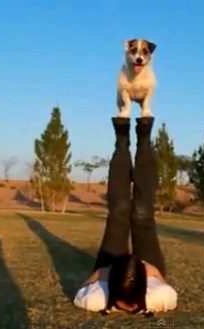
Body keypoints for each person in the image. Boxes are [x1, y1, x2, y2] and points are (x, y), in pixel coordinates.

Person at [73, 116, 178, 315]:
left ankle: (122, 141)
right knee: (142, 213)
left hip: (112, 267)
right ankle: (144, 138)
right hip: (146, 269)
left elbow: (80, 292)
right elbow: (167, 320)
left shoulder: (94, 300)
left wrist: (103, 272)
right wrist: (150, 271)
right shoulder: (162, 297)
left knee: (118, 211)